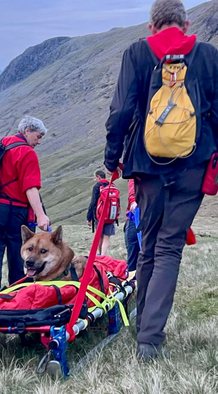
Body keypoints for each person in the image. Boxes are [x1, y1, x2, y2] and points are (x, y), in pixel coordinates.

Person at [104, 0, 218, 361]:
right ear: (185, 24)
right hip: (194, 164)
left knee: (150, 242)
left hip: (147, 165)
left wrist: (112, 158)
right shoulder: (207, 55)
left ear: (152, 26)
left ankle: (144, 327)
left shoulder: (137, 52)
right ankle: (149, 340)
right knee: (170, 247)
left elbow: (121, 110)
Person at [0, 116, 50, 297]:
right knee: (17, 254)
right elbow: (30, 187)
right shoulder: (26, 152)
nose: (39, 141)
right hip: (13, 211)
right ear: (27, 130)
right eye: (38, 136)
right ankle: (19, 295)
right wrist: (41, 215)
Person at [86, 170, 115, 256]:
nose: (94, 179)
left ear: (99, 177)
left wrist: (89, 218)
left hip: (100, 216)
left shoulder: (97, 186)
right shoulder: (112, 185)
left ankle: (99, 256)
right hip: (111, 216)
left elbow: (93, 203)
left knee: (99, 236)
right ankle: (103, 255)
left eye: (95, 177)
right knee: (106, 237)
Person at [125, 179, 140, 272]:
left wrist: (134, 201)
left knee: (133, 250)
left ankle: (132, 276)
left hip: (135, 217)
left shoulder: (137, 168)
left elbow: (132, 189)